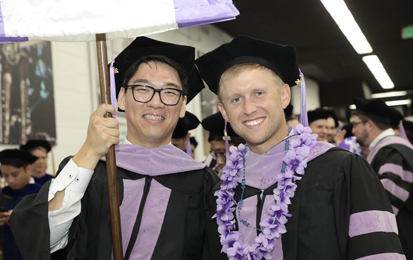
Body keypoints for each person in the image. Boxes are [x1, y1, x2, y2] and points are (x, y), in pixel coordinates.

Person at [9, 37, 220, 260]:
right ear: (120, 98)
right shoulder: (90, 168)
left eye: (169, 92)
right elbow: (46, 240)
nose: (156, 102)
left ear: (181, 106)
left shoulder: (203, 182)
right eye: (143, 88)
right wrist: (90, 151)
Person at [195, 35, 404, 259]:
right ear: (224, 111)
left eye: (259, 93)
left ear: (284, 95)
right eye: (236, 99)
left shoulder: (341, 168)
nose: (248, 109)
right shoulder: (222, 193)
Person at [352, 97, 413, 259]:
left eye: (356, 124)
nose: (353, 130)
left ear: (370, 125)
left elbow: (384, 206)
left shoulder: (393, 152)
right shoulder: (390, 150)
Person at [0, 149, 41, 260]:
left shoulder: (41, 194)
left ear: (28, 169)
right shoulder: (3, 195)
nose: (10, 180)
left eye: (15, 174)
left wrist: (20, 220)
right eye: (5, 176)